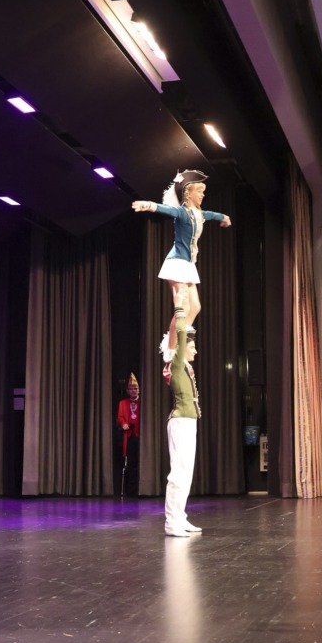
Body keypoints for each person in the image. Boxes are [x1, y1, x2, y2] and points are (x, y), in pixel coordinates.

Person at [132, 169, 231, 348]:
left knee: (195, 307)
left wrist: (224, 217)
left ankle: (181, 342)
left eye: (203, 191)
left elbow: (212, 214)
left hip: (188, 265)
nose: (202, 194)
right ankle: (171, 349)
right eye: (199, 191)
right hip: (177, 263)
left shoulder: (198, 214)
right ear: (188, 193)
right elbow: (166, 209)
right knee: (183, 308)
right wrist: (148, 204)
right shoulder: (182, 212)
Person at [161, 303, 202, 537]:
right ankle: (171, 522)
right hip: (180, 423)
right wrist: (179, 309)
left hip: (189, 422)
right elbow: (180, 333)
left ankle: (180, 516)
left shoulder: (185, 368)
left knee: (186, 473)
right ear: (182, 349)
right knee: (178, 473)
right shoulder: (176, 365)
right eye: (192, 347)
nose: (195, 351)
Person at [116, 372, 140, 496]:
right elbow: (120, 417)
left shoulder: (143, 403)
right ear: (127, 390)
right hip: (129, 436)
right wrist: (123, 423)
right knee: (130, 464)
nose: (133, 391)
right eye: (131, 389)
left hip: (140, 436)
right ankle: (131, 491)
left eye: (135, 388)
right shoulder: (123, 403)